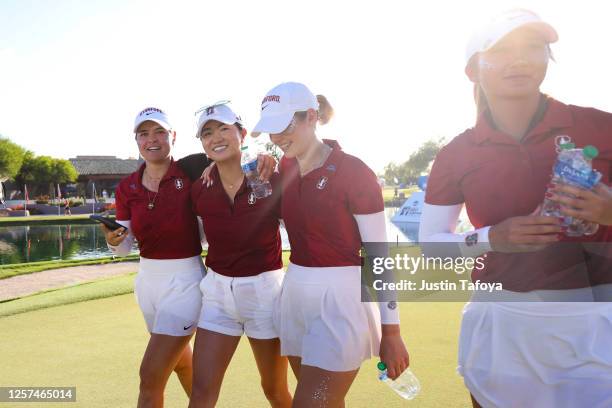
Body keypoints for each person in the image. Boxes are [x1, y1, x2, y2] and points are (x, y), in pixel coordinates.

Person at [419, 9, 612, 408]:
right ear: (473, 70)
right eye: (502, 50)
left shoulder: (602, 126)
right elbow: (431, 246)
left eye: (533, 47)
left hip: (596, 322)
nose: (520, 59)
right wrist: (493, 238)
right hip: (502, 320)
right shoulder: (457, 153)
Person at [252, 82, 410, 407]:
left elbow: (379, 257)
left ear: (311, 117)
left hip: (341, 300)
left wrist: (391, 332)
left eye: (283, 126)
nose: (277, 138)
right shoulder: (285, 167)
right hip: (294, 295)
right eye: (271, 130)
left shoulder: (355, 172)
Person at [188, 102, 292, 408]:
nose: (216, 137)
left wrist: (270, 159)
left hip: (266, 295)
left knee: (274, 390)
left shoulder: (269, 178)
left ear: (242, 133)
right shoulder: (200, 188)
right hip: (218, 296)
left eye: (224, 128)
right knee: (202, 392)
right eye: (207, 133)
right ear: (203, 144)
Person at [102, 107, 207, 408]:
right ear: (136, 141)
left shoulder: (192, 174)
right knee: (181, 364)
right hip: (147, 283)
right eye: (143, 133)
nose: (152, 139)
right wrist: (113, 241)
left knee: (150, 376)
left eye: (159, 131)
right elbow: (122, 246)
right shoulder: (127, 187)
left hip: (185, 282)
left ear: (173, 136)